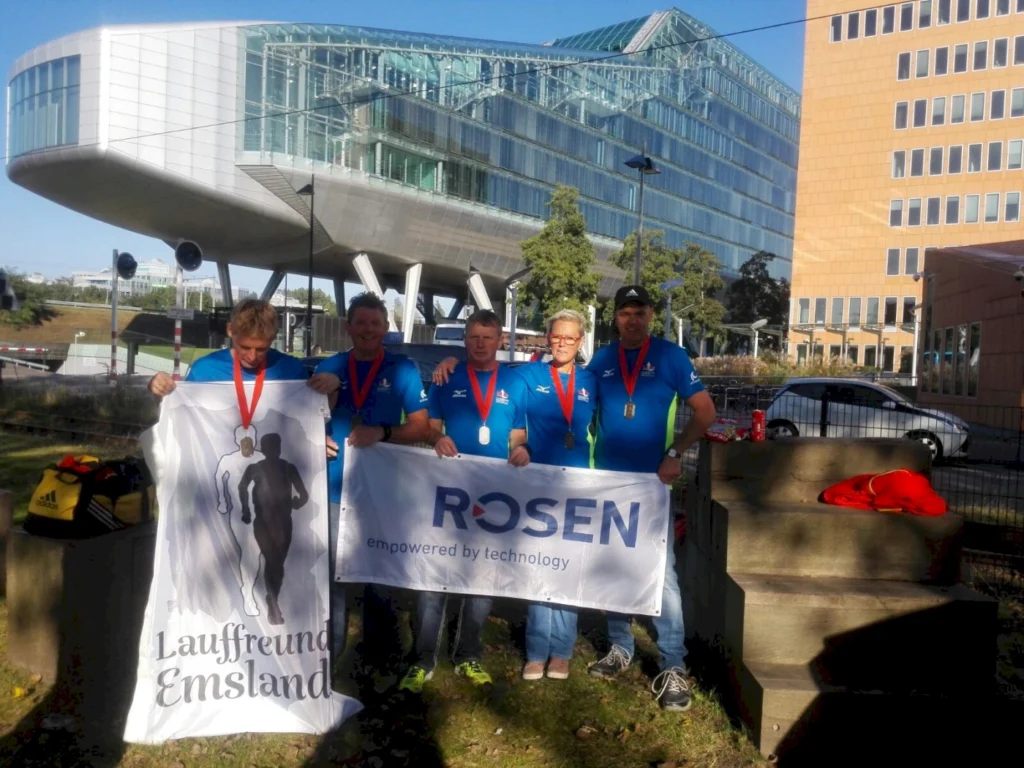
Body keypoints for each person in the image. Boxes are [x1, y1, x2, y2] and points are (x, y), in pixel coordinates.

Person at [432, 308, 597, 681]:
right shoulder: (527, 374)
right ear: (547, 338)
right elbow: (483, 363)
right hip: (535, 480)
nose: (562, 343)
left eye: (570, 338)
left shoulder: (593, 380)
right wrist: (449, 360)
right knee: (540, 563)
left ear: (580, 341)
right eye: (556, 336)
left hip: (576, 481)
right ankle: (538, 650)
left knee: (566, 565)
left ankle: (562, 652)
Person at [585, 284, 716, 713]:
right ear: (615, 317)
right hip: (607, 482)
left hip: (652, 482)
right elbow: (569, 395)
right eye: (624, 312)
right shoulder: (602, 359)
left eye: (639, 311)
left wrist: (676, 453)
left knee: (662, 574)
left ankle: (673, 664)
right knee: (612, 566)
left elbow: (705, 412)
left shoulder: (671, 357)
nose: (632, 319)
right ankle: (621, 645)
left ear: (650, 316)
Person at [399, 309, 530, 694]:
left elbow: (518, 435)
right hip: (449, 491)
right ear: (465, 339)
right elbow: (430, 427)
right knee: (432, 577)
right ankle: (422, 659)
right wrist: (434, 439)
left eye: (488, 338)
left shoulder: (515, 382)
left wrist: (523, 452)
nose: (480, 344)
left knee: (481, 578)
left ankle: (468, 655)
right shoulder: (447, 376)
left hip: (493, 494)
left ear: (501, 340)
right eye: (474, 337)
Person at [306, 292, 431, 664]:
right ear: (348, 327)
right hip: (332, 487)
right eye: (360, 323)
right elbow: (303, 420)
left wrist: (383, 432)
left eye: (375, 323)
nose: (367, 330)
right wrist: (315, 436)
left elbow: (422, 427)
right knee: (332, 579)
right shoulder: (330, 366)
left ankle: (378, 653)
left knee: (379, 572)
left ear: (384, 328)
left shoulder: (403, 370)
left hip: (383, 491)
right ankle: (328, 655)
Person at [148, 298, 310, 395]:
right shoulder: (204, 371)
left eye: (261, 349)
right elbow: (181, 417)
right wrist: (160, 389)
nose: (252, 357)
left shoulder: (293, 370)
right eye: (245, 347)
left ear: (274, 337)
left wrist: (332, 385)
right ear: (230, 331)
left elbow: (312, 419)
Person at [238, 432, 309, 625]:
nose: (273, 449)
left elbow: (304, 494)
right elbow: (242, 486)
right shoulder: (254, 468)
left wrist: (297, 502)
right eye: (270, 446)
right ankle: (273, 603)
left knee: (277, 564)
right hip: (263, 523)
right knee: (272, 561)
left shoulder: (288, 468)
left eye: (276, 445)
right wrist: (245, 510)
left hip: (284, 523)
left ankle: (272, 598)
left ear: (279, 447)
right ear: (263, 448)